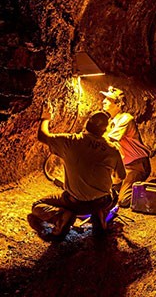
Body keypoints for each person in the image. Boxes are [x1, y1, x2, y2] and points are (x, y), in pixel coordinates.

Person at [28, 103, 126, 240]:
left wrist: (46, 117)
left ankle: (61, 216)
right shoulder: (113, 149)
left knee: (37, 206)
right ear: (105, 130)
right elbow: (120, 177)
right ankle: (100, 213)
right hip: (102, 201)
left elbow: (43, 136)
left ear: (86, 124)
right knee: (114, 194)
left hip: (74, 203)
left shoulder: (70, 142)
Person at [101, 86, 151, 208]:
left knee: (124, 200)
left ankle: (154, 186)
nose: (103, 101)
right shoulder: (111, 121)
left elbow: (109, 140)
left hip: (136, 165)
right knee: (107, 192)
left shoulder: (126, 119)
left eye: (108, 100)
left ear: (118, 104)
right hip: (124, 166)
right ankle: (124, 184)